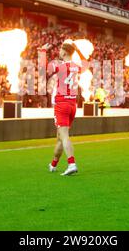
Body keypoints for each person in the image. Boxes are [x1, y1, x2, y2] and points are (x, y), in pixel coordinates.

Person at [43, 41, 86, 176]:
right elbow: (85, 63)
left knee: (65, 136)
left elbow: (43, 70)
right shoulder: (76, 66)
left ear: (65, 52)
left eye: (61, 50)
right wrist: (78, 50)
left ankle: (71, 163)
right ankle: (53, 164)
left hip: (61, 104)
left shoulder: (60, 66)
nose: (59, 52)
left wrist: (42, 51)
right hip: (73, 104)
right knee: (60, 137)